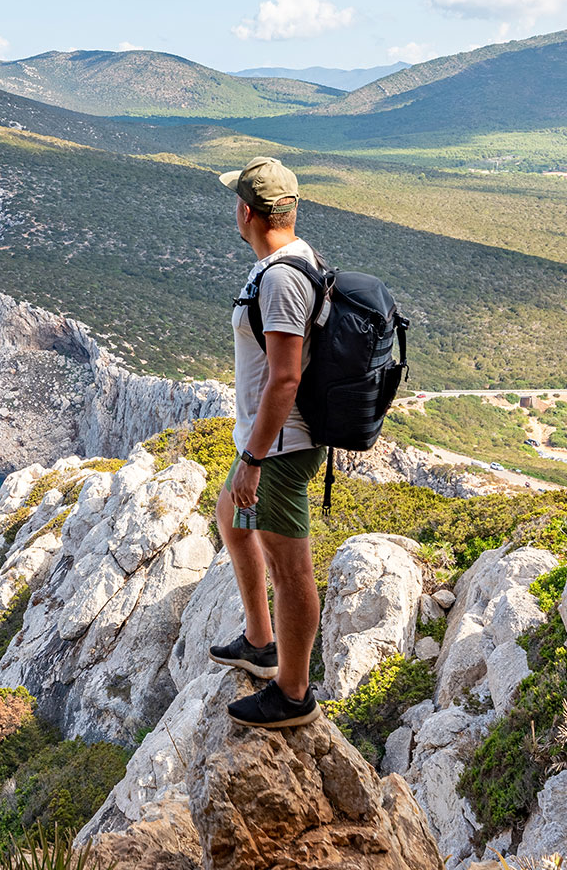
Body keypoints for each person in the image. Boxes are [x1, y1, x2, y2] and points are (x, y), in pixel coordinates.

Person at [208, 156, 329, 729]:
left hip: (280, 445)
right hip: (267, 438)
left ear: (247, 213)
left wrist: (254, 458)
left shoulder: (281, 278)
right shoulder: (290, 262)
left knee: (291, 568)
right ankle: (260, 639)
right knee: (229, 515)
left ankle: (292, 693)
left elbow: (286, 377)